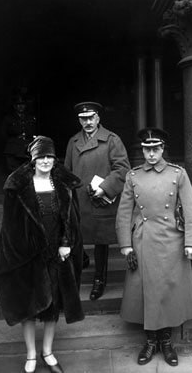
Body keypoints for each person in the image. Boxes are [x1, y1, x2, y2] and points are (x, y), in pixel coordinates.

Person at [0, 136, 84, 373]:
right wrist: (26, 250)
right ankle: (31, 354)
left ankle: (48, 351)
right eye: (40, 157)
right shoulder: (19, 188)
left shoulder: (63, 186)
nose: (45, 161)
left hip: (56, 254)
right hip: (29, 255)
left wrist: (66, 243)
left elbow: (72, 220)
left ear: (55, 160)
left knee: (53, 306)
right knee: (30, 307)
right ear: (33, 161)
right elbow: (10, 226)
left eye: (49, 157)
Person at [115, 127, 192, 366]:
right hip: (143, 240)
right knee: (147, 292)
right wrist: (125, 244)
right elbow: (123, 213)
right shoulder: (133, 176)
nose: (151, 154)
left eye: (155, 149)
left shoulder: (178, 174)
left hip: (172, 240)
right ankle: (150, 341)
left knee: (169, 292)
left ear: (163, 149)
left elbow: (191, 209)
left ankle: (166, 341)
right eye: (147, 149)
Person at [64, 101, 130, 301]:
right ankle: (81, 264)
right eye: (83, 119)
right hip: (79, 199)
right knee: (77, 235)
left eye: (91, 117)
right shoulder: (73, 141)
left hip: (99, 198)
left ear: (98, 118)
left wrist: (104, 188)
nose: (88, 122)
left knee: (101, 241)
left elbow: (123, 169)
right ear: (79, 120)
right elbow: (66, 171)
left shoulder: (111, 140)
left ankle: (99, 281)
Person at [0, 95, 37, 173]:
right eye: (18, 105)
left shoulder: (30, 118)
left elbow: (34, 132)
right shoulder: (8, 118)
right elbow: (3, 134)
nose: (21, 107)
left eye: (22, 105)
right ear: (15, 106)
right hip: (13, 150)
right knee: (14, 173)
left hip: (27, 149)